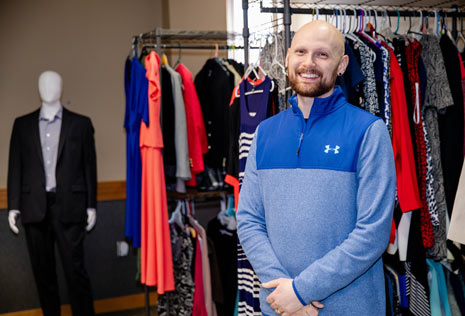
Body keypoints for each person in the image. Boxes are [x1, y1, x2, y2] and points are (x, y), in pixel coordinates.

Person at [236, 20, 396, 316]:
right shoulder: (265, 133)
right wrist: (284, 292)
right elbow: (248, 219)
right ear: (287, 58)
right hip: (279, 306)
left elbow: (372, 234)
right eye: (300, 52)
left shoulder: (369, 132)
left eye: (322, 55)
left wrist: (301, 291)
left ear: (342, 64)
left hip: (351, 308)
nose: (308, 63)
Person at [7, 70, 97, 316]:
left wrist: (92, 205)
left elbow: (89, 166)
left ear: (61, 87)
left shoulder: (80, 124)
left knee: (75, 273)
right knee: (43, 274)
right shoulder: (22, 125)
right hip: (34, 207)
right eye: (43, 83)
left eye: (53, 82)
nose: (48, 87)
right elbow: (16, 165)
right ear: (38, 88)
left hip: (70, 206)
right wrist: (13, 205)